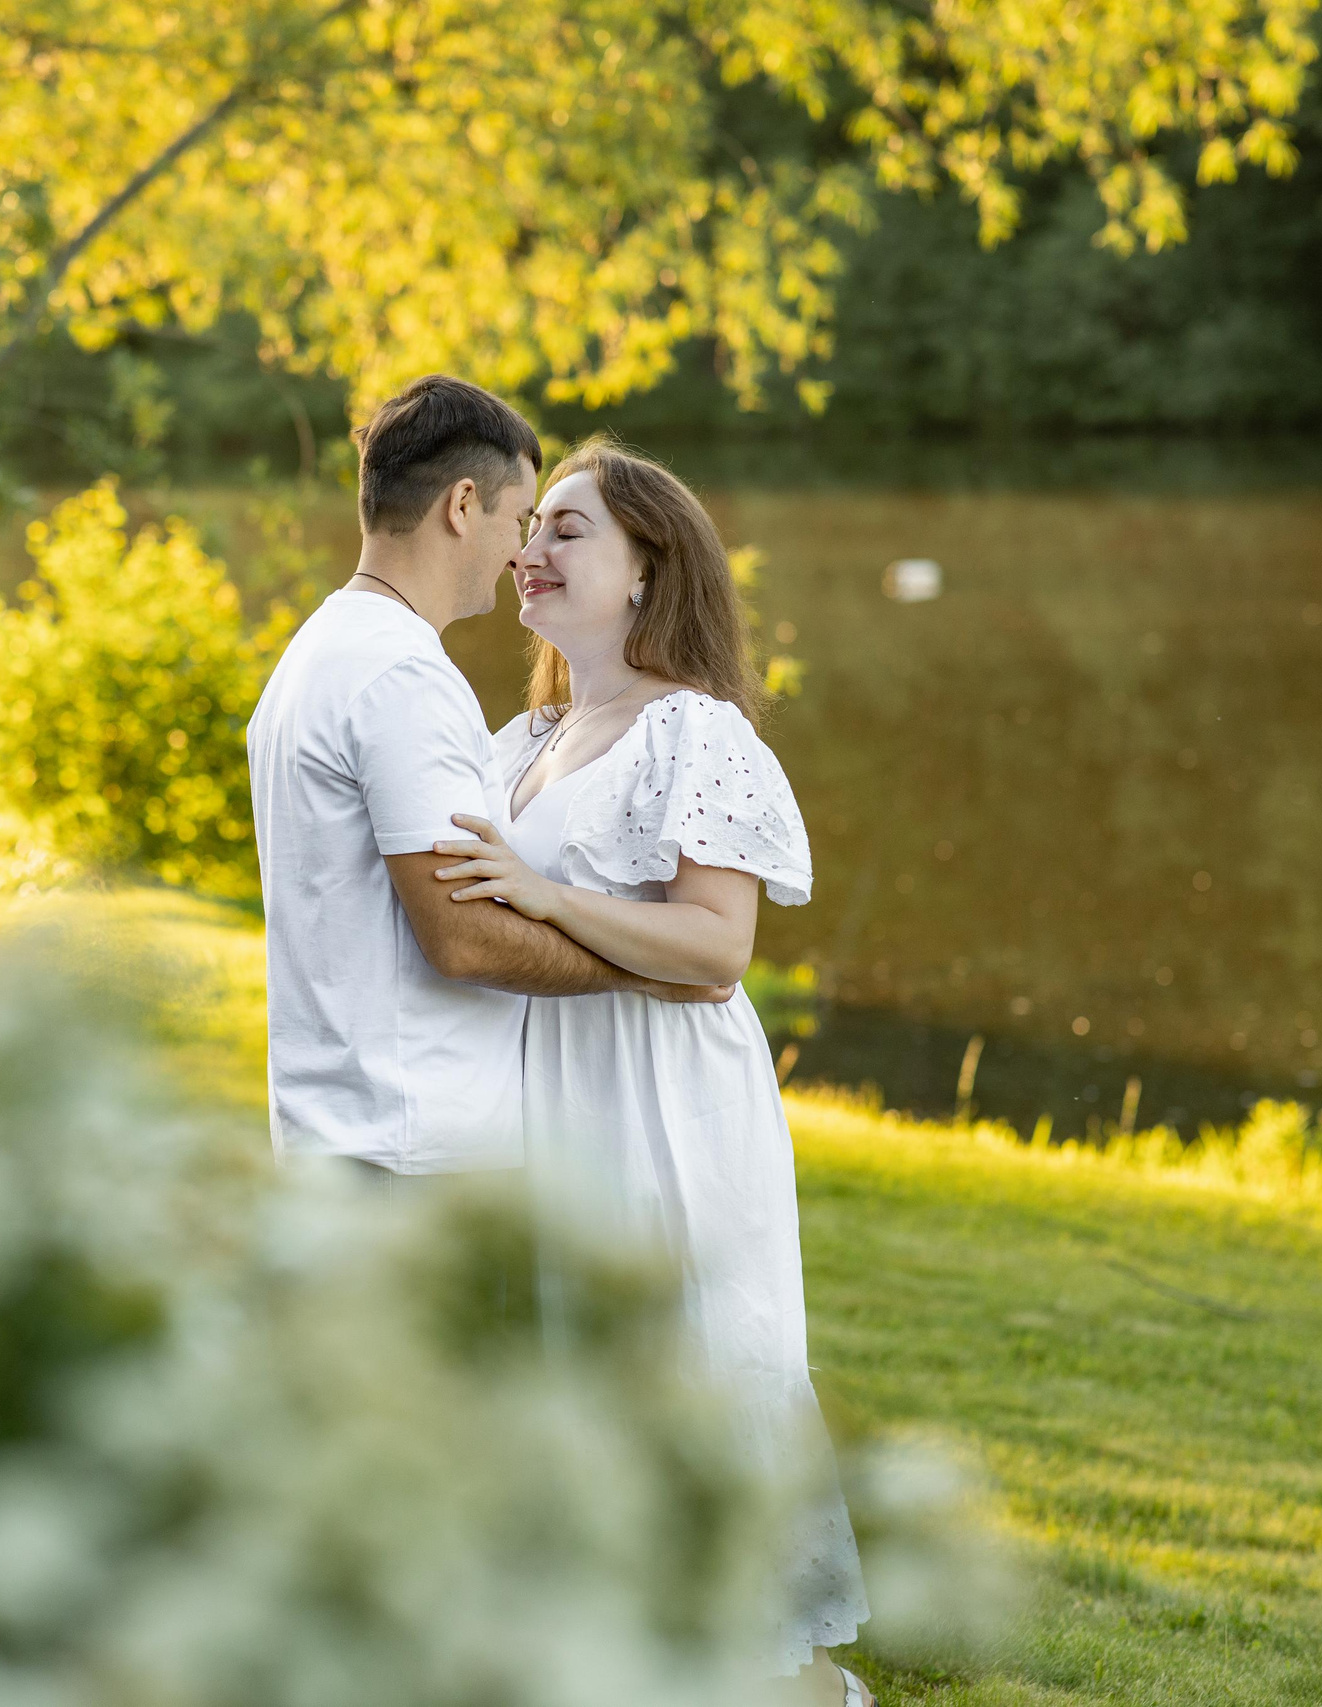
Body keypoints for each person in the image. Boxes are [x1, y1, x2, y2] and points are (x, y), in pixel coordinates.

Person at [426, 434, 876, 1704]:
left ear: (646, 567)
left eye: (570, 529)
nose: (530, 550)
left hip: (663, 1101)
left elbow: (715, 948)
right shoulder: (522, 735)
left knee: (680, 1358)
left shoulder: (698, 734)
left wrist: (538, 894)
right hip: (542, 1099)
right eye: (531, 527)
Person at [245, 380, 732, 1187]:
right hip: (408, 1148)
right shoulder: (403, 676)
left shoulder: (315, 653)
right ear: (462, 505)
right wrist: (647, 973)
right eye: (520, 520)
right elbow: (464, 937)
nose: (521, 553)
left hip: (341, 1130)